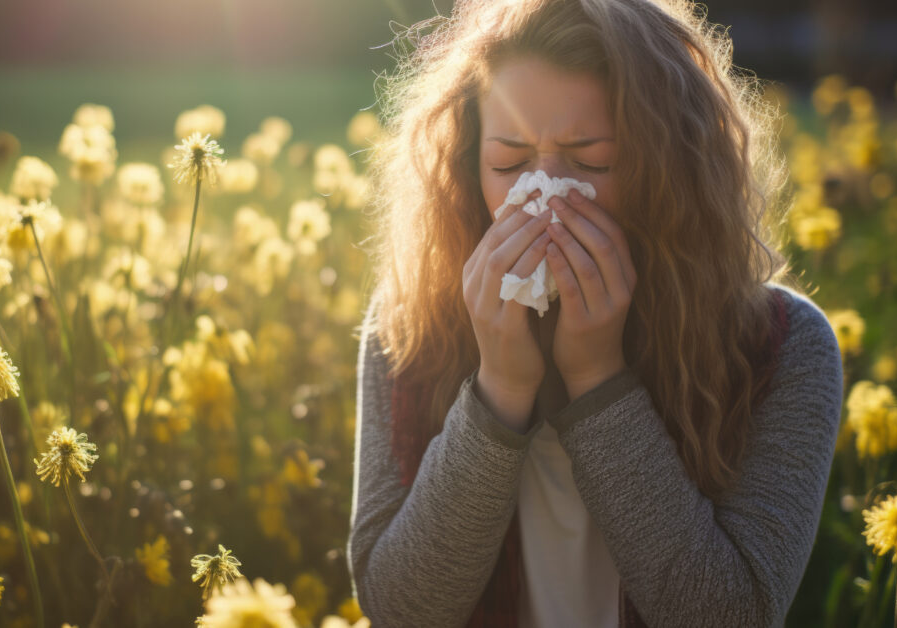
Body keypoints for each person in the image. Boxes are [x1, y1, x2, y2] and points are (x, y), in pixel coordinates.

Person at [346, 0, 844, 627]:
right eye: (509, 164)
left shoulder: (780, 347)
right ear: (470, 168)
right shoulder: (408, 326)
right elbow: (399, 607)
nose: (545, 200)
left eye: (590, 164)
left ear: (671, 169)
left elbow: (729, 615)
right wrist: (499, 390)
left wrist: (599, 380)